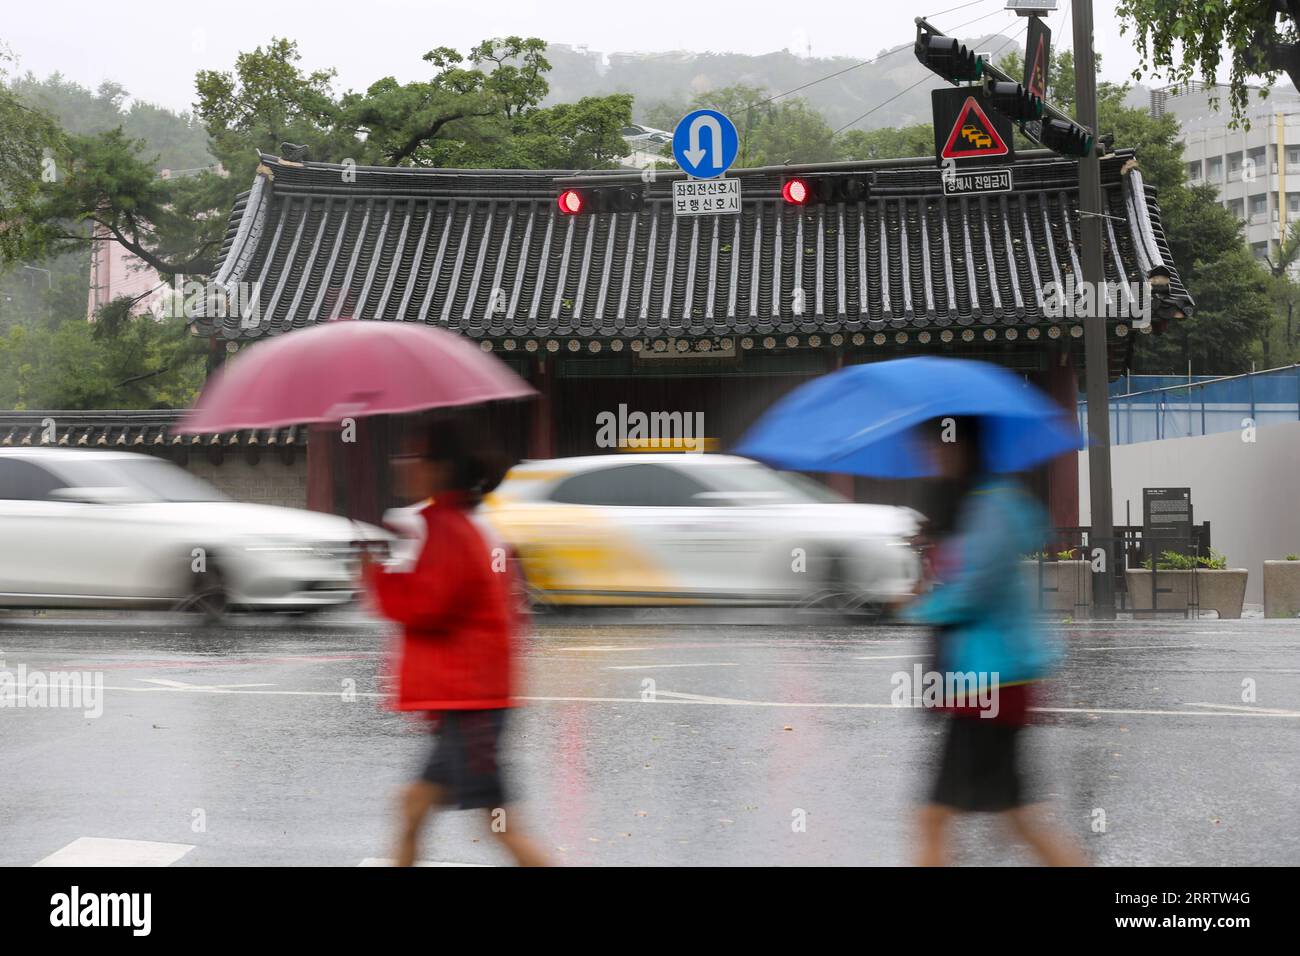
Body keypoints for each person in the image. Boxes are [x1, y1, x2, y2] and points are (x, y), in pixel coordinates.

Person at [899, 416, 1086, 867]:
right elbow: (965, 581)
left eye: (941, 447)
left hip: (991, 683)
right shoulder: (974, 506)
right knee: (1014, 816)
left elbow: (974, 591)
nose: (934, 457)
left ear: (965, 447)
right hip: (985, 681)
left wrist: (913, 607)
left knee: (935, 816)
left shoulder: (991, 508)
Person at [362, 417, 549, 867]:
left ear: (440, 469)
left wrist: (374, 577)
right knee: (413, 809)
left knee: (499, 824)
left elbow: (426, 607)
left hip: (472, 707)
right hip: (465, 703)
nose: (402, 465)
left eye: (414, 457)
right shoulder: (456, 523)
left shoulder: (448, 530)